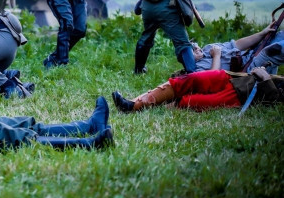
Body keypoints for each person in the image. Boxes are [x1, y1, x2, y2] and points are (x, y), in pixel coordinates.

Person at [112, 67, 282, 112]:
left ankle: (141, 106)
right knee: (190, 80)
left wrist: (266, 79)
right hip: (234, 77)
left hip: (243, 94)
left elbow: (276, 100)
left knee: (191, 102)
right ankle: (133, 104)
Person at [192, 23, 283, 74]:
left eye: (194, 45)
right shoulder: (197, 69)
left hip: (252, 55)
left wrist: (262, 34)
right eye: (192, 49)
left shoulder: (208, 48)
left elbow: (237, 45)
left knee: (280, 35)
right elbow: (212, 77)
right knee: (275, 50)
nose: (196, 47)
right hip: (248, 71)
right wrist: (216, 56)